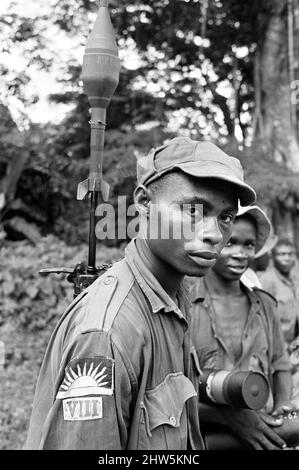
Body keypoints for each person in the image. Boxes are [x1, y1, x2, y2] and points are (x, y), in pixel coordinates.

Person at [25, 136, 256, 450]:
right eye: (193, 210)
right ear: (145, 204)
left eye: (225, 217)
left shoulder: (175, 298)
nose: (215, 234)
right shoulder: (108, 334)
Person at [191, 205, 293, 450]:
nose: (241, 253)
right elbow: (171, 389)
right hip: (204, 440)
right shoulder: (184, 305)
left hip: (261, 437)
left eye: (248, 245)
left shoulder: (265, 305)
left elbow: (280, 366)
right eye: (230, 243)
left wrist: (282, 406)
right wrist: (230, 417)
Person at [259, 239, 299, 408]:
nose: (286, 258)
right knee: (279, 384)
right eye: (282, 254)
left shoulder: (295, 278)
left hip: (294, 342)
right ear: (273, 257)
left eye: (290, 254)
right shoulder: (266, 279)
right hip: (276, 344)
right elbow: (263, 315)